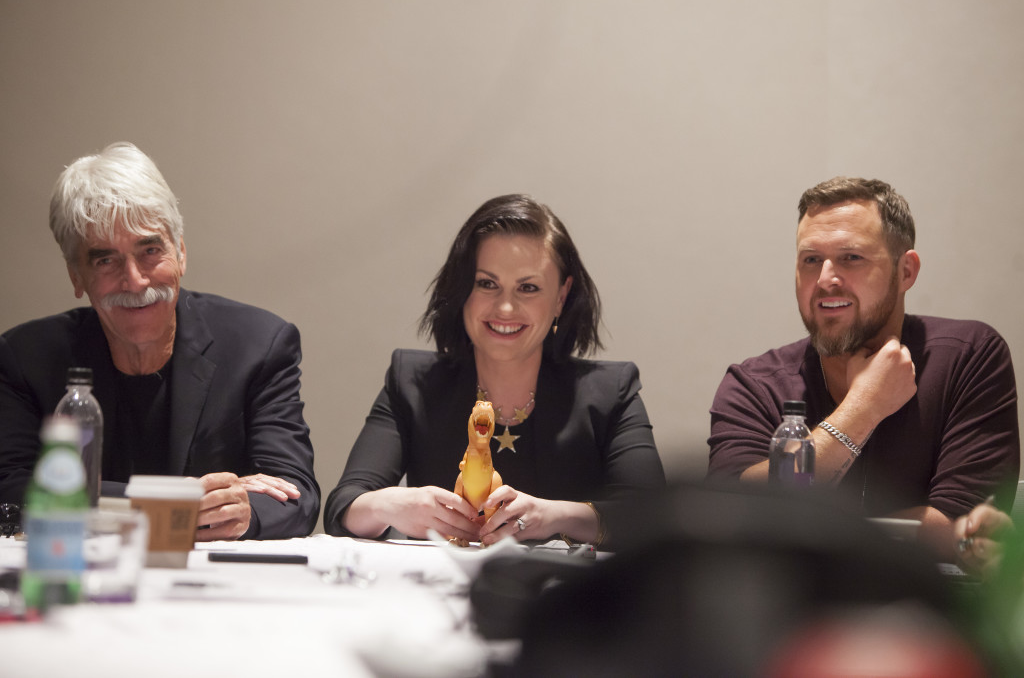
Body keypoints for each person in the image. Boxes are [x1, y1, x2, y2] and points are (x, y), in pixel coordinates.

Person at [0, 142, 319, 540]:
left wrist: (242, 513)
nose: (135, 281)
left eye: (150, 250)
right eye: (105, 260)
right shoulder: (26, 358)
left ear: (181, 253)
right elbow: (11, 492)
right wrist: (174, 502)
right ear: (76, 276)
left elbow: (294, 492)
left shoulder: (258, 344)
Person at [323, 194, 665, 546]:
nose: (504, 307)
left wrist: (556, 516)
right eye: (487, 283)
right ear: (462, 289)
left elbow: (655, 518)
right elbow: (344, 506)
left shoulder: (613, 391)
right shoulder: (412, 381)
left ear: (561, 297)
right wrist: (389, 505)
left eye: (528, 288)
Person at [707, 176, 1019, 561]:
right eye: (810, 260)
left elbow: (964, 527)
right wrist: (863, 408)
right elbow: (733, 517)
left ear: (906, 272)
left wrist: (804, 534)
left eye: (850, 258)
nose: (825, 280)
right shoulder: (754, 383)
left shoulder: (969, 357)